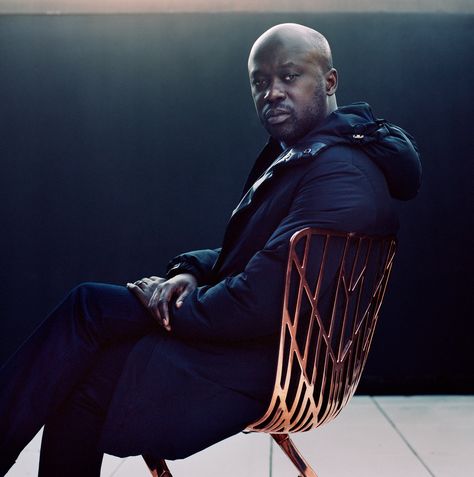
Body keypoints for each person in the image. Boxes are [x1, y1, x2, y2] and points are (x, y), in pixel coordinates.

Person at [0, 23, 421, 476]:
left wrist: (171, 309)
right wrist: (190, 274)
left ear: (329, 82)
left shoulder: (339, 175)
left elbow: (256, 303)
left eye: (289, 76)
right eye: (260, 82)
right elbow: (257, 258)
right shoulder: (315, 157)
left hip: (261, 364)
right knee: (87, 311)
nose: (272, 92)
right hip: (258, 347)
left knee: (82, 343)